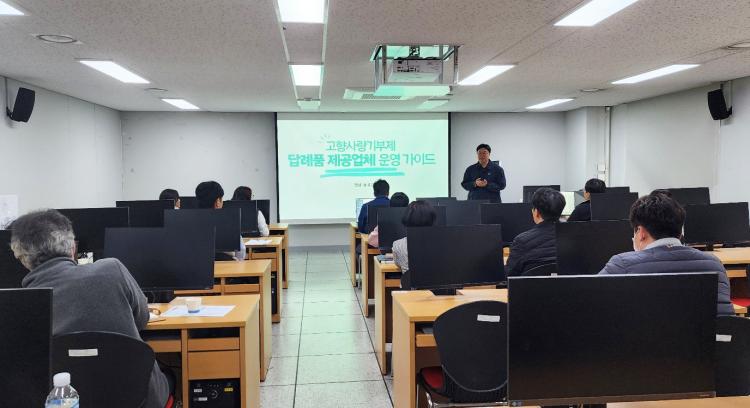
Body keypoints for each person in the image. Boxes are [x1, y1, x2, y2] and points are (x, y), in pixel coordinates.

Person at [10, 209, 171, 408]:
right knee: (172, 372)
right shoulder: (112, 270)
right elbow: (142, 318)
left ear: (22, 258)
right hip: (140, 399)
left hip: (63, 402)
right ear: (73, 247)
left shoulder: (18, 306)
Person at [599, 192, 734, 316]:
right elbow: (726, 322)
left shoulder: (622, 265)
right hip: (707, 336)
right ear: (680, 233)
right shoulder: (714, 265)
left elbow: (590, 304)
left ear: (640, 232)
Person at [506, 188, 565, 276]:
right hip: (568, 285)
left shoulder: (521, 241)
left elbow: (509, 275)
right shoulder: (574, 238)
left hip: (529, 285)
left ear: (536, 212)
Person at [196, 181, 246, 260]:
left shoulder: (190, 222)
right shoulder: (229, 222)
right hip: (228, 265)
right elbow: (241, 252)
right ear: (217, 202)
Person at [393, 200, 437, 288]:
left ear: (407, 218)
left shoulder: (398, 245)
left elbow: (398, 264)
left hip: (410, 290)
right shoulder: (443, 243)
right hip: (439, 291)